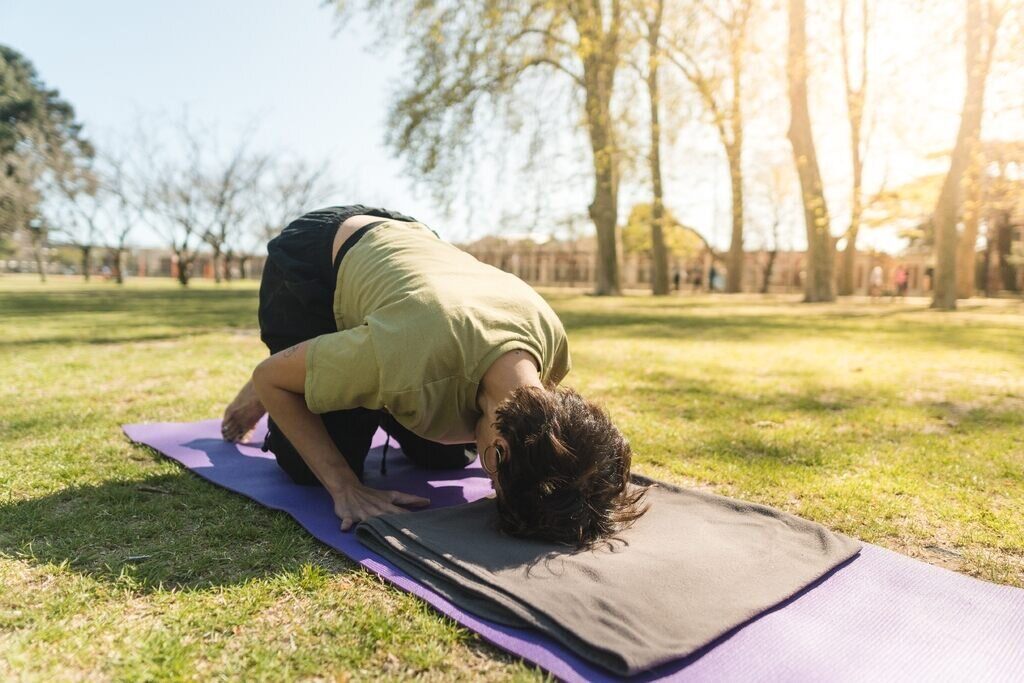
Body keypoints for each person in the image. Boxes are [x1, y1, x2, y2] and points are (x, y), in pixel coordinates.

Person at [222, 205, 646, 547]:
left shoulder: (552, 352)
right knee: (307, 469)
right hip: (317, 257)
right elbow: (268, 377)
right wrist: (345, 487)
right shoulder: (407, 357)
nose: (489, 484)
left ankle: (329, 365)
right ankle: (303, 362)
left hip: (414, 262)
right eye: (494, 480)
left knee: (445, 457)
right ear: (499, 448)